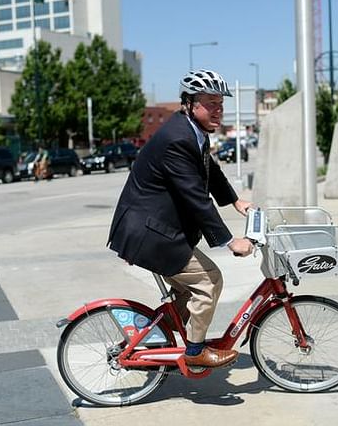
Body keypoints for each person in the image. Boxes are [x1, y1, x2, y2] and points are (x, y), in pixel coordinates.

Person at [107, 69, 254, 368]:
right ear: (189, 103)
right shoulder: (177, 138)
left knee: (189, 289)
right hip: (150, 234)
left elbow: (209, 170)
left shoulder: (192, 132)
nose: (218, 109)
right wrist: (228, 241)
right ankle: (195, 350)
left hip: (155, 229)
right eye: (210, 102)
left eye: (220, 103)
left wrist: (235, 200)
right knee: (209, 280)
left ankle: (159, 331)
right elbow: (194, 198)